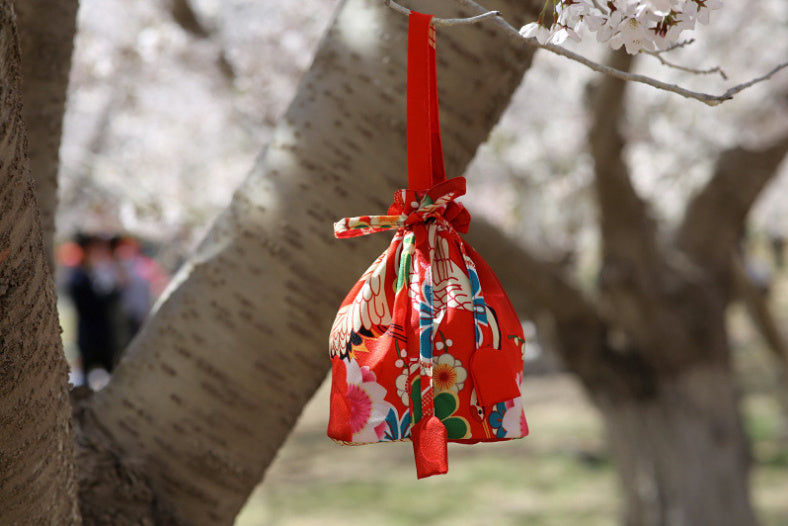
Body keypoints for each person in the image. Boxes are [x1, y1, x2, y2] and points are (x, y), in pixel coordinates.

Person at [67, 233, 122, 383]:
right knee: (85, 377)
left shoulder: (100, 273)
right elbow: (91, 303)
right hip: (88, 334)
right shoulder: (78, 276)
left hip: (105, 334)